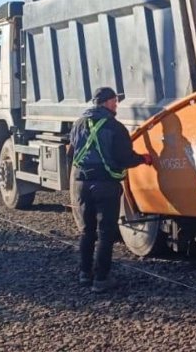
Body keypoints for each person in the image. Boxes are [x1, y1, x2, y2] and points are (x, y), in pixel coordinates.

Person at [68, 86, 153, 293]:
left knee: (87, 231)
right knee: (106, 233)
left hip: (81, 184)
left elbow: (70, 154)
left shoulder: (78, 124)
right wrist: (143, 159)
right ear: (107, 102)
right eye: (115, 101)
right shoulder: (115, 127)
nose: (117, 105)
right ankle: (101, 279)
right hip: (105, 184)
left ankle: (84, 274)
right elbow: (124, 158)